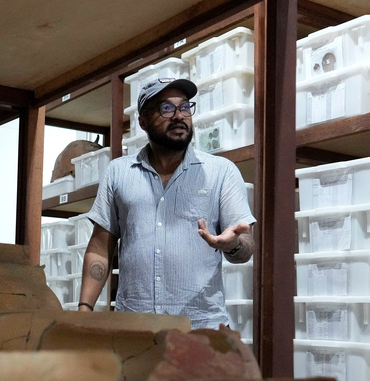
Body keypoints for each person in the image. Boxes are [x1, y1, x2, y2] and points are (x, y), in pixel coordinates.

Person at [76, 77, 255, 330]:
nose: (179, 116)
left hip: (200, 328)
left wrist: (233, 245)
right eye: (166, 108)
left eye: (184, 107)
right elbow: (99, 249)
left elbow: (246, 247)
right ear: (143, 121)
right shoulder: (118, 172)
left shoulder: (221, 172)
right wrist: (84, 310)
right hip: (134, 327)